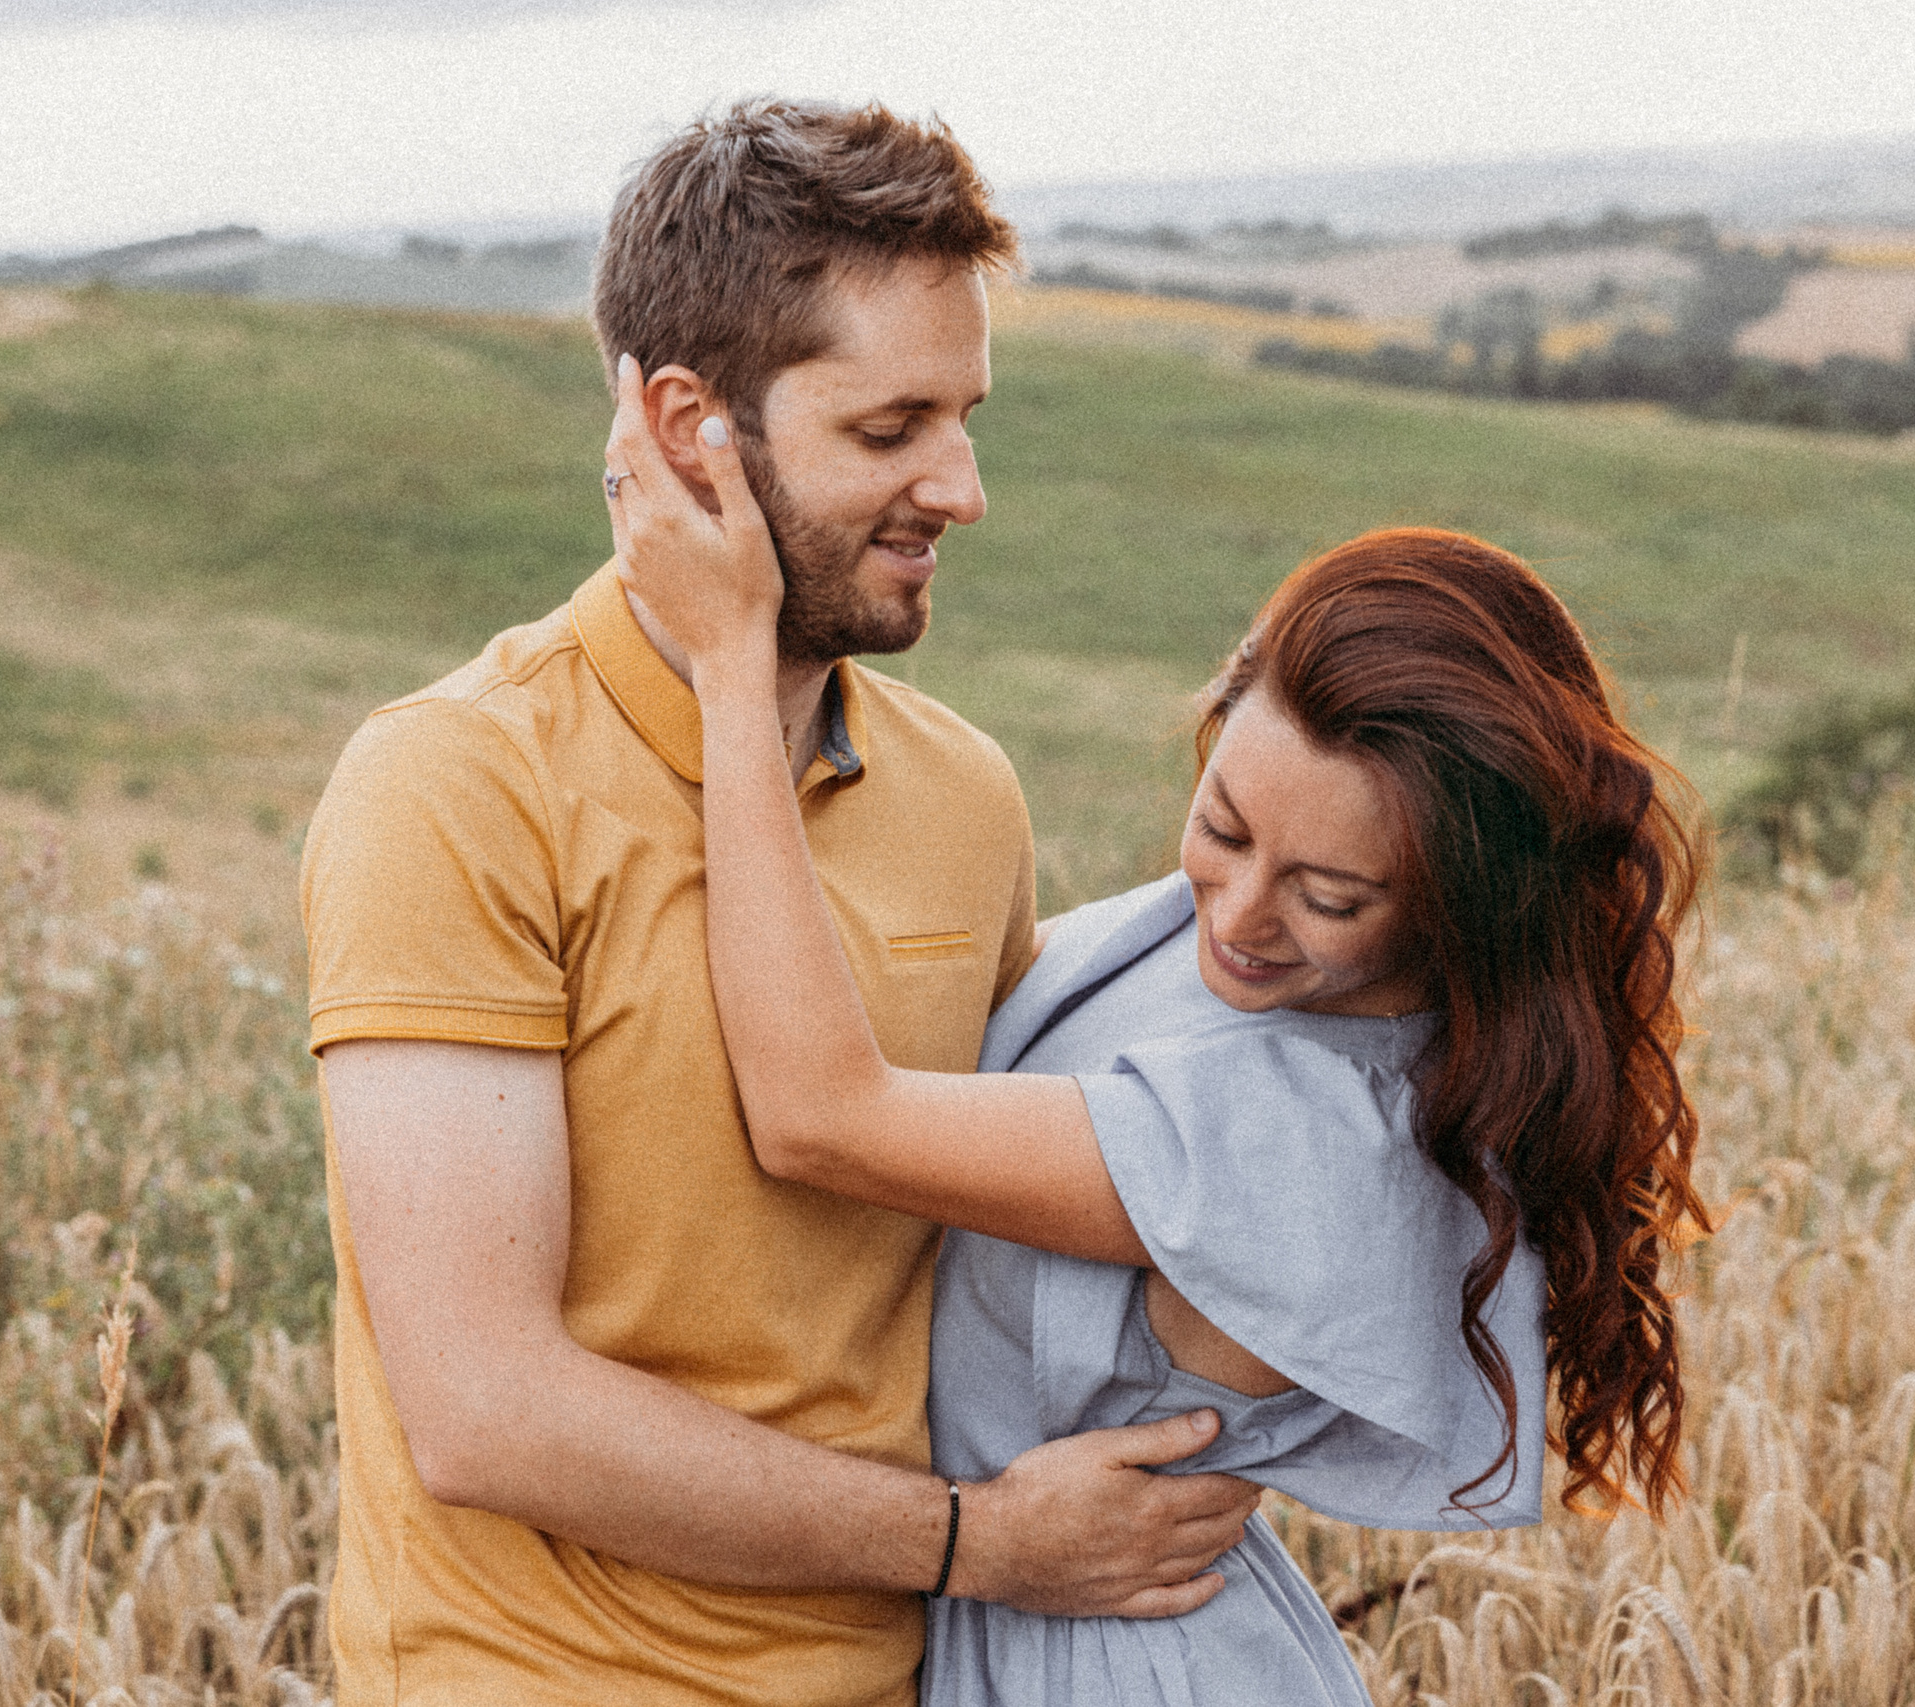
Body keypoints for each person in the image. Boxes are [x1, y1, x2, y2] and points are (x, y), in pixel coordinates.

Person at [300, 100, 1262, 1707]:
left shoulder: (965, 793)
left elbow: (1007, 1266)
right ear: (692, 428)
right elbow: (485, 1410)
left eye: (965, 419)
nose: (961, 489)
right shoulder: (456, 786)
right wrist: (977, 1541)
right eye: (889, 431)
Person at [606, 380, 1713, 1703]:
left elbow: (819, 1116)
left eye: (1332, 898)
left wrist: (733, 660)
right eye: (1223, 827)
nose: (1236, 918)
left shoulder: (1308, 1135)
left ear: (1457, 906)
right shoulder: (1241, 960)